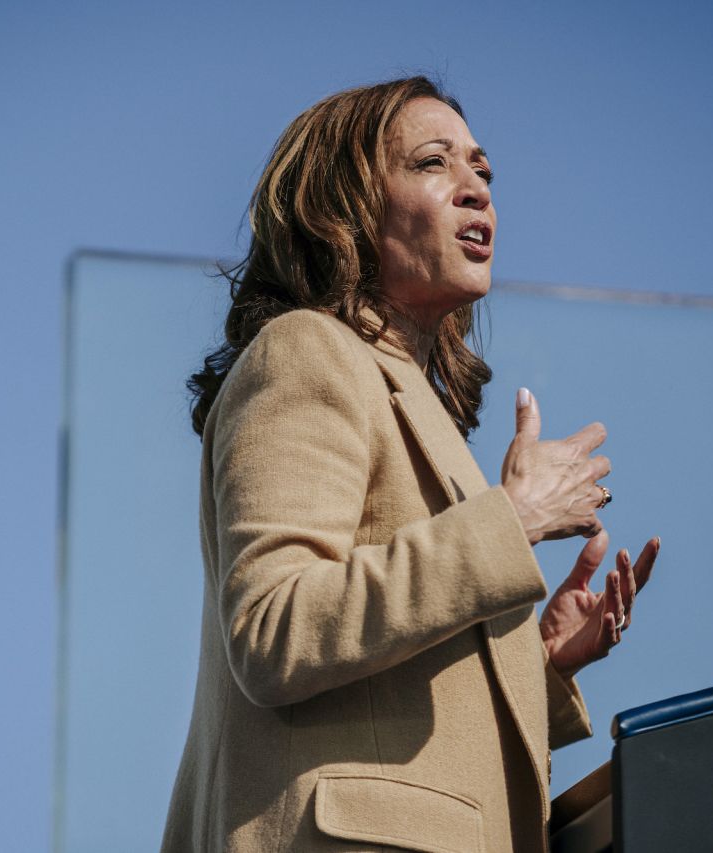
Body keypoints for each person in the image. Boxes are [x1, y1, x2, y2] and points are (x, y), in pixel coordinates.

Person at [162, 76, 658, 853]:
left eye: (484, 172)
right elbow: (276, 628)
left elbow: (392, 695)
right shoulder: (308, 351)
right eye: (434, 163)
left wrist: (535, 662)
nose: (476, 192)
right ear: (346, 207)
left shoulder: (420, 411)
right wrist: (513, 520)